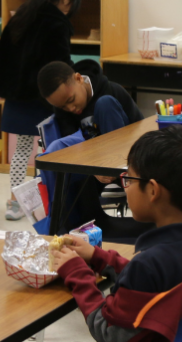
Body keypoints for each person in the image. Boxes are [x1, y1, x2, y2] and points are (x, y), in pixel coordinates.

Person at [6, 127, 182, 342]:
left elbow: (108, 333)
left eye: (129, 179)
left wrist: (77, 273)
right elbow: (153, 288)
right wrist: (98, 257)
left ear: (153, 190)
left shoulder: (149, 265)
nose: (126, 186)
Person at [0, 0, 81, 220]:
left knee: (20, 149)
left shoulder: (24, 14)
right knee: (48, 149)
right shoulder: (57, 23)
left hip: (18, 94)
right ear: (67, 0)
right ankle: (45, 198)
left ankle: (15, 201)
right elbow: (61, 64)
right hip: (45, 96)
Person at [37, 60, 152, 240]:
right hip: (92, 171)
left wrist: (109, 164)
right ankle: (66, 230)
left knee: (105, 104)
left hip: (128, 165)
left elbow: (141, 132)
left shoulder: (112, 91)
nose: (70, 109)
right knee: (54, 155)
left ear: (78, 79)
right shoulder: (65, 109)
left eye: (71, 100)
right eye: (63, 107)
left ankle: (114, 169)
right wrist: (94, 167)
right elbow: (71, 147)